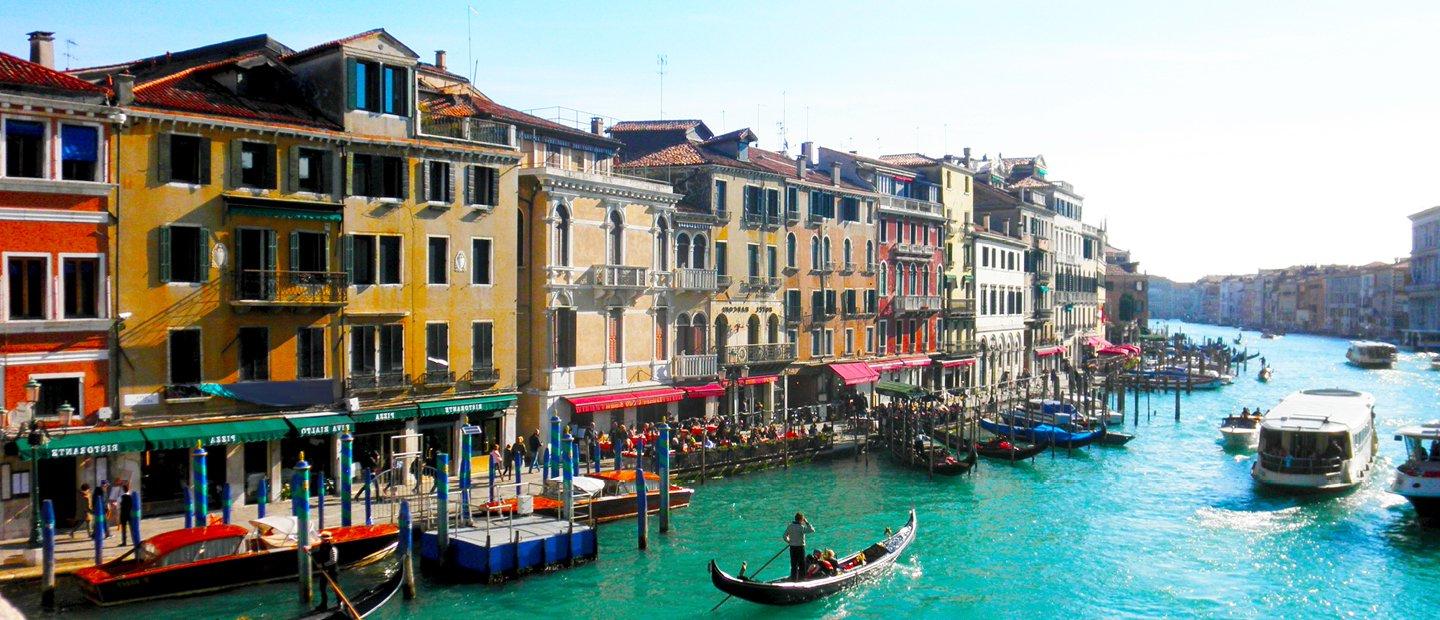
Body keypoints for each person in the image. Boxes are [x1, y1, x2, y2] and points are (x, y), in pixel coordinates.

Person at [311, 530, 340, 610]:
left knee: (336, 588)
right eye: (321, 538)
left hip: (332, 571)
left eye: (323, 538)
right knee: (322, 588)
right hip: (324, 571)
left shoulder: (332, 548)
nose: (321, 539)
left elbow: (333, 560)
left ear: (327, 539)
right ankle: (324, 604)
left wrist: (322, 565)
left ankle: (340, 603)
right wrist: (309, 551)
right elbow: (318, 554)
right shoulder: (322, 546)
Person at [783, 512, 815, 581]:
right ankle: (802, 579)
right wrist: (807, 522)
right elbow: (812, 530)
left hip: (792, 547)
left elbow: (784, 536)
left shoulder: (790, 526)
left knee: (793, 564)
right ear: (801, 519)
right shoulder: (801, 527)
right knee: (801, 564)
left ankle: (793, 579)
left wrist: (789, 541)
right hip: (800, 548)